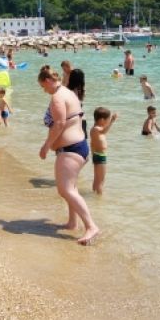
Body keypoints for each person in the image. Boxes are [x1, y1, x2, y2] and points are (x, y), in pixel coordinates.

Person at [37, 65, 100, 245]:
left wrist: (46, 146)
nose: (44, 90)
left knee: (65, 189)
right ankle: (73, 222)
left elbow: (59, 124)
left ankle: (91, 226)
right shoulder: (67, 92)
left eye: (43, 86)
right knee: (71, 187)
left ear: (48, 81)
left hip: (71, 148)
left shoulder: (57, 97)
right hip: (78, 146)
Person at [89, 107, 117, 195]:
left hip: (97, 155)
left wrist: (110, 120)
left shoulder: (95, 128)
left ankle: (94, 193)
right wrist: (112, 121)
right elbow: (104, 130)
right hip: (100, 156)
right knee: (101, 180)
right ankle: (99, 199)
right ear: (101, 120)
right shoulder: (97, 129)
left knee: (97, 178)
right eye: (107, 120)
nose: (108, 121)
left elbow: (104, 129)